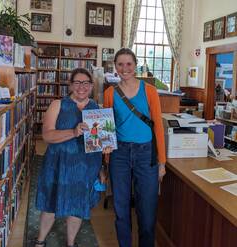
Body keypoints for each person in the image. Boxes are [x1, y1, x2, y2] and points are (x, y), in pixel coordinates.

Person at [35, 68, 110, 247]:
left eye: (86, 83)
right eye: (77, 83)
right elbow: (47, 135)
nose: (81, 87)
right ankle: (40, 241)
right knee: (50, 204)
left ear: (92, 86)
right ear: (70, 85)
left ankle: (71, 243)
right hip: (58, 164)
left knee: (77, 206)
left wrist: (103, 163)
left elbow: (100, 145)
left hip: (85, 167)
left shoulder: (98, 110)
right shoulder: (58, 105)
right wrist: (73, 132)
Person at [103, 48, 166, 247]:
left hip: (146, 154)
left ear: (135, 65)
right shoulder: (109, 93)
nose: (125, 68)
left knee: (147, 212)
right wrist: (105, 163)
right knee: (121, 210)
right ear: (115, 67)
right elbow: (107, 128)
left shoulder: (150, 91)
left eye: (129, 64)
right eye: (120, 64)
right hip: (119, 154)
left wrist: (162, 162)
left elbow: (158, 127)